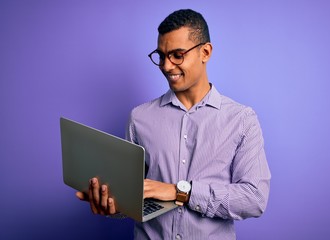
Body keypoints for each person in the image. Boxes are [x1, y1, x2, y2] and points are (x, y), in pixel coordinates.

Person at [76, 9, 271, 239]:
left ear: (205, 52)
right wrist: (112, 205)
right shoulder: (139, 118)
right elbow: (133, 196)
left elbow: (254, 199)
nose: (167, 66)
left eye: (177, 55)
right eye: (161, 56)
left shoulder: (241, 120)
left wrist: (181, 192)